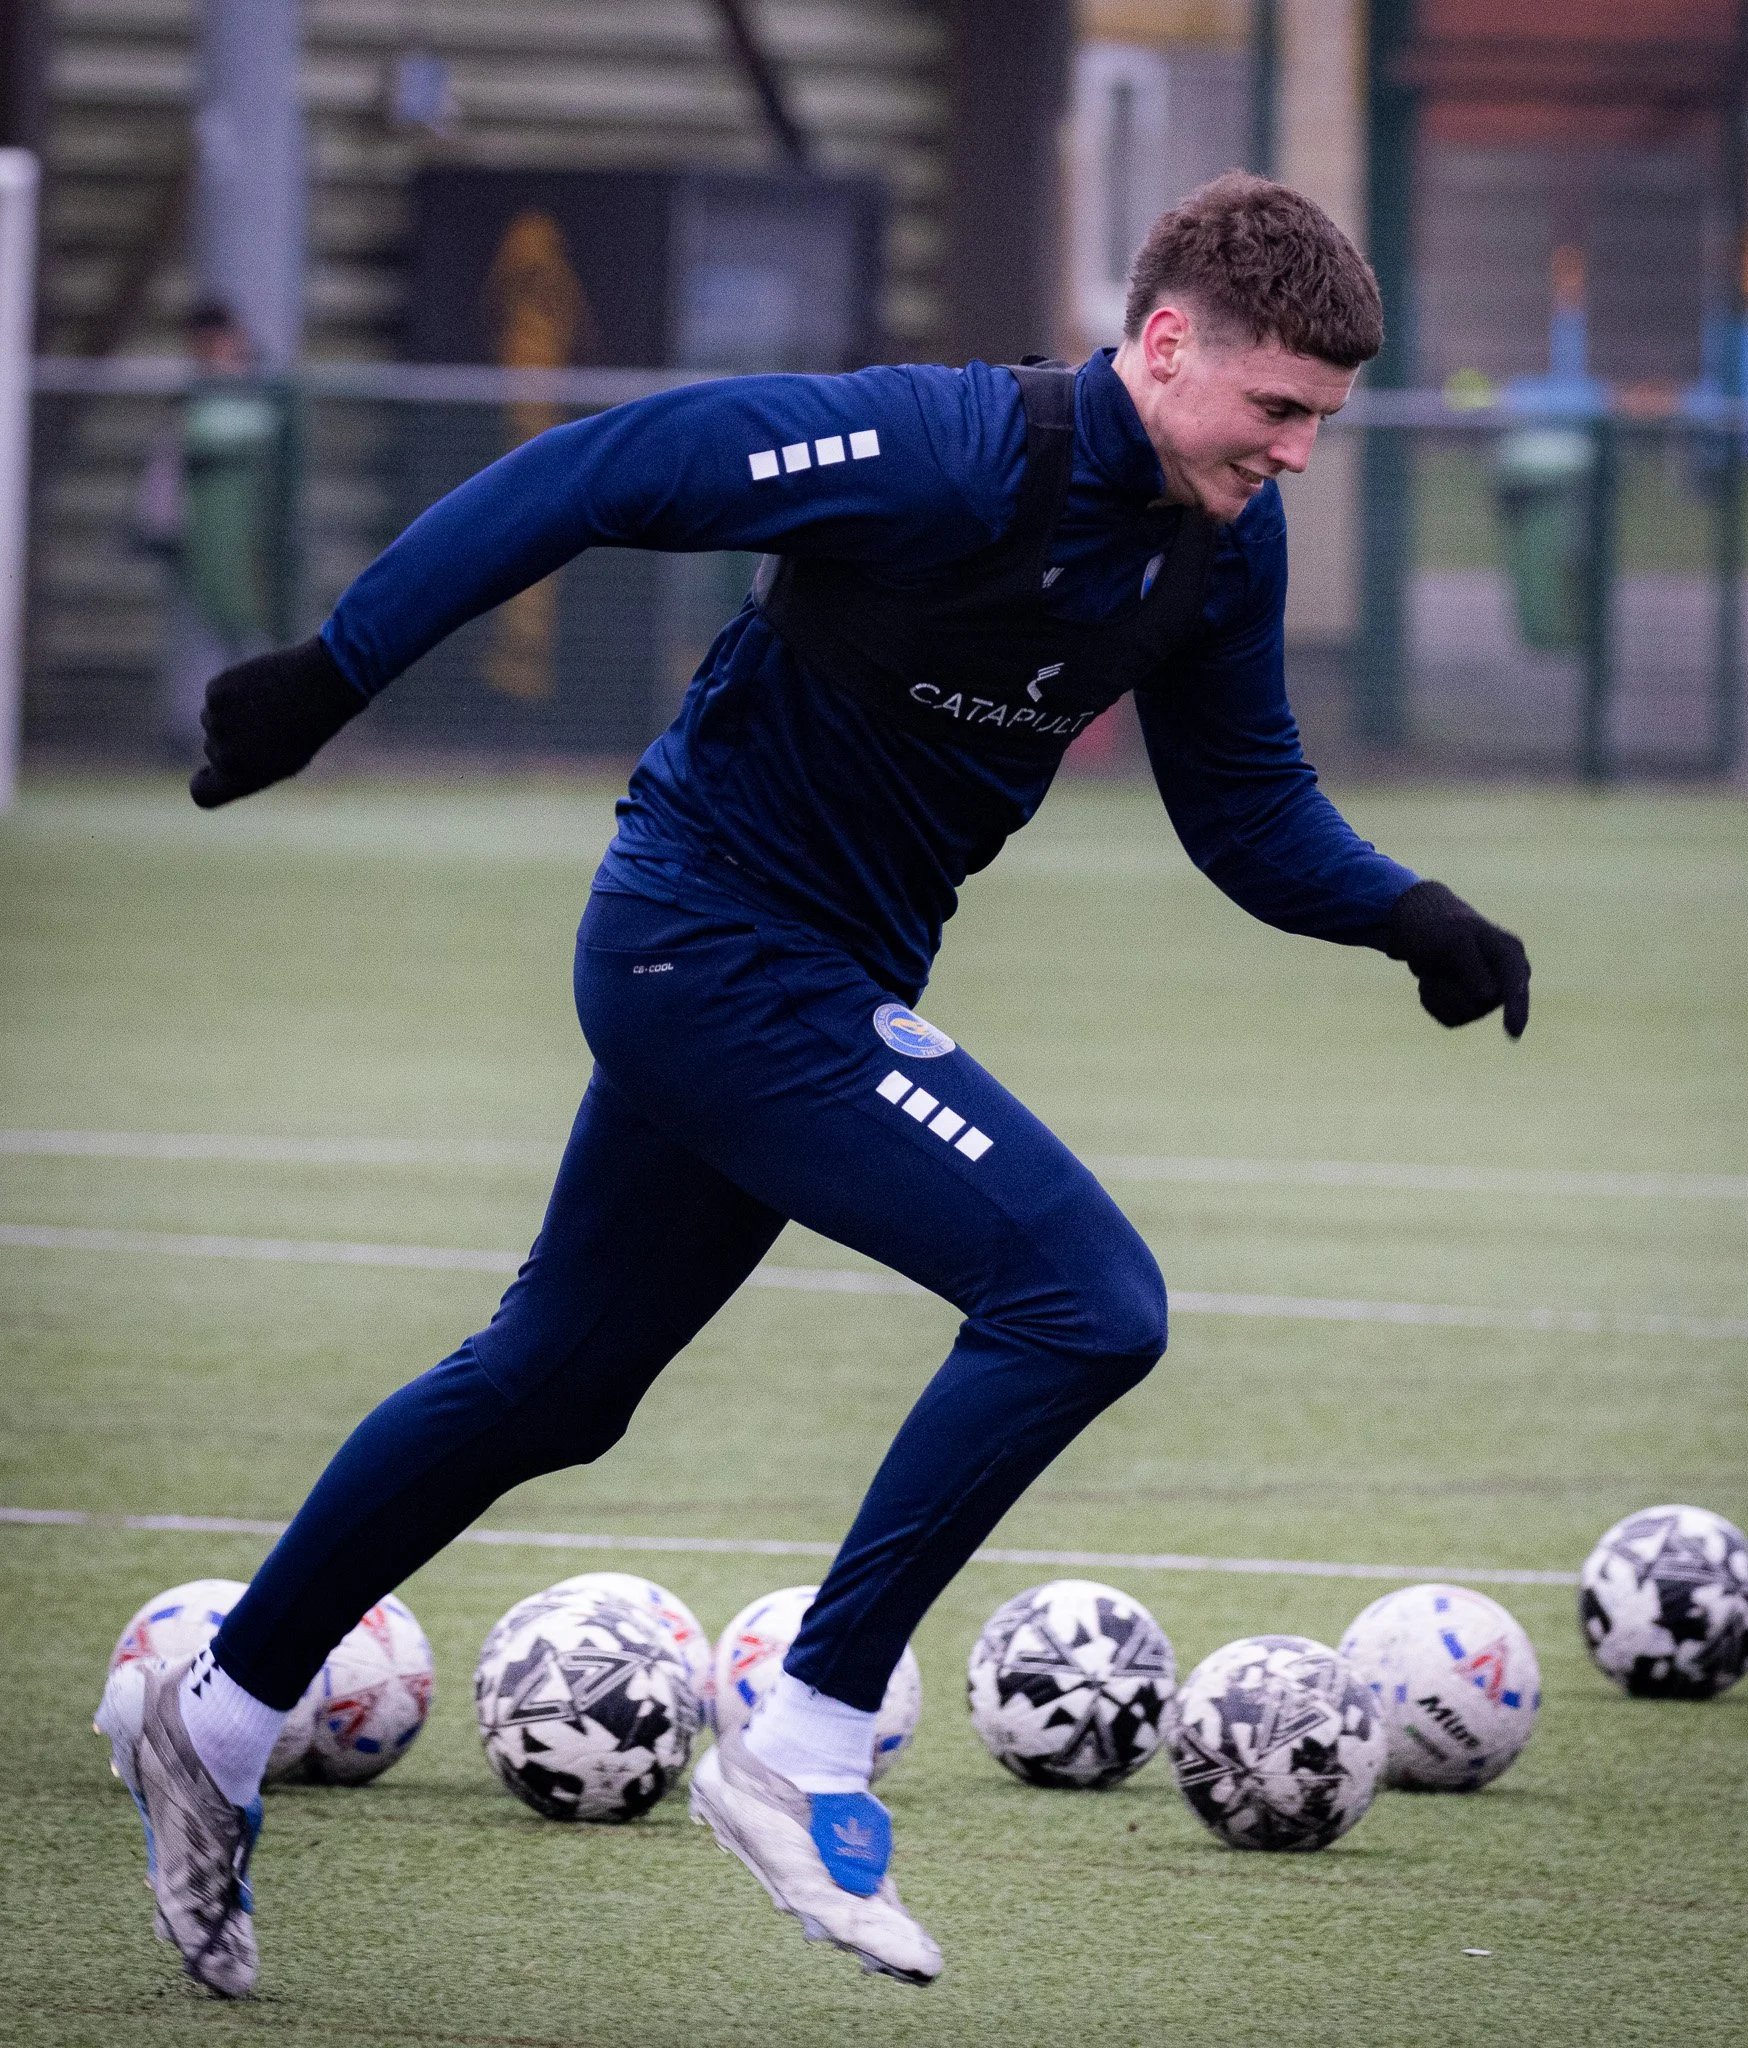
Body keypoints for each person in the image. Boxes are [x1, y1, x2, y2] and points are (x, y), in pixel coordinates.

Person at [97, 174, 1529, 1997]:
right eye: (1277, 411)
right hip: (702, 946)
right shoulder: (940, 449)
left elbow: (1243, 810)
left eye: (1321, 420)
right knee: (1084, 1300)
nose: (1300, 453)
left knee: (555, 1381)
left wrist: (1407, 915)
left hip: (809, 982)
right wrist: (334, 670)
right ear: (1165, 346)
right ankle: (804, 1738)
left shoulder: (1216, 541)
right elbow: (603, 467)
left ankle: (215, 1719)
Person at [132, 302, 292, 759]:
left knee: (253, 632)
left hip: (253, 540)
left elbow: (260, 438)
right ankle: (217, 729)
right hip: (200, 539)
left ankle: (263, 728)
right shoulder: (194, 396)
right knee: (212, 631)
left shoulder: (263, 395)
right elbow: (171, 458)